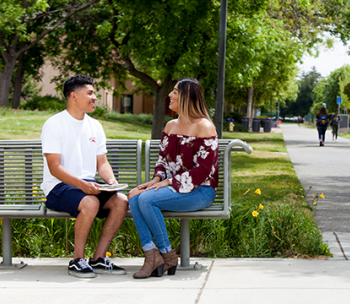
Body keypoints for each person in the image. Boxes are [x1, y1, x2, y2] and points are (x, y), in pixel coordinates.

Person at [128, 78, 218, 279]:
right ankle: (152, 256)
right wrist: (157, 177)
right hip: (173, 187)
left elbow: (203, 171)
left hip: (200, 190)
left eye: (175, 92)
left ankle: (167, 255)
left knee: (146, 199)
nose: (169, 95)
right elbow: (162, 159)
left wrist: (168, 182)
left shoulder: (205, 127)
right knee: (134, 195)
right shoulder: (170, 126)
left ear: (187, 98)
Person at [41, 74, 128, 278]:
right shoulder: (54, 124)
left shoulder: (95, 126)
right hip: (58, 186)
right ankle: (76, 260)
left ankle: (98, 259)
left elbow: (102, 163)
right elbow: (54, 168)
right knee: (90, 202)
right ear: (73, 96)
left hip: (87, 185)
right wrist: (82, 185)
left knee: (121, 201)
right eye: (89, 93)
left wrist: (112, 182)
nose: (94, 97)